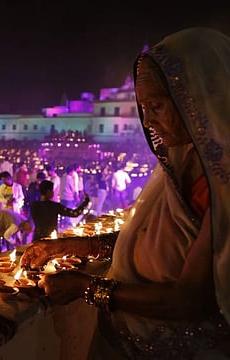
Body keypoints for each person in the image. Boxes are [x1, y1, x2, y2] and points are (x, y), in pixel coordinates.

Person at [20, 27, 230, 359]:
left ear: (200, 98)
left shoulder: (221, 181)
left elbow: (191, 298)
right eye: (143, 107)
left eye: (158, 106)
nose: (147, 121)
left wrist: (84, 286)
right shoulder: (183, 159)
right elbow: (154, 237)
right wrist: (68, 246)